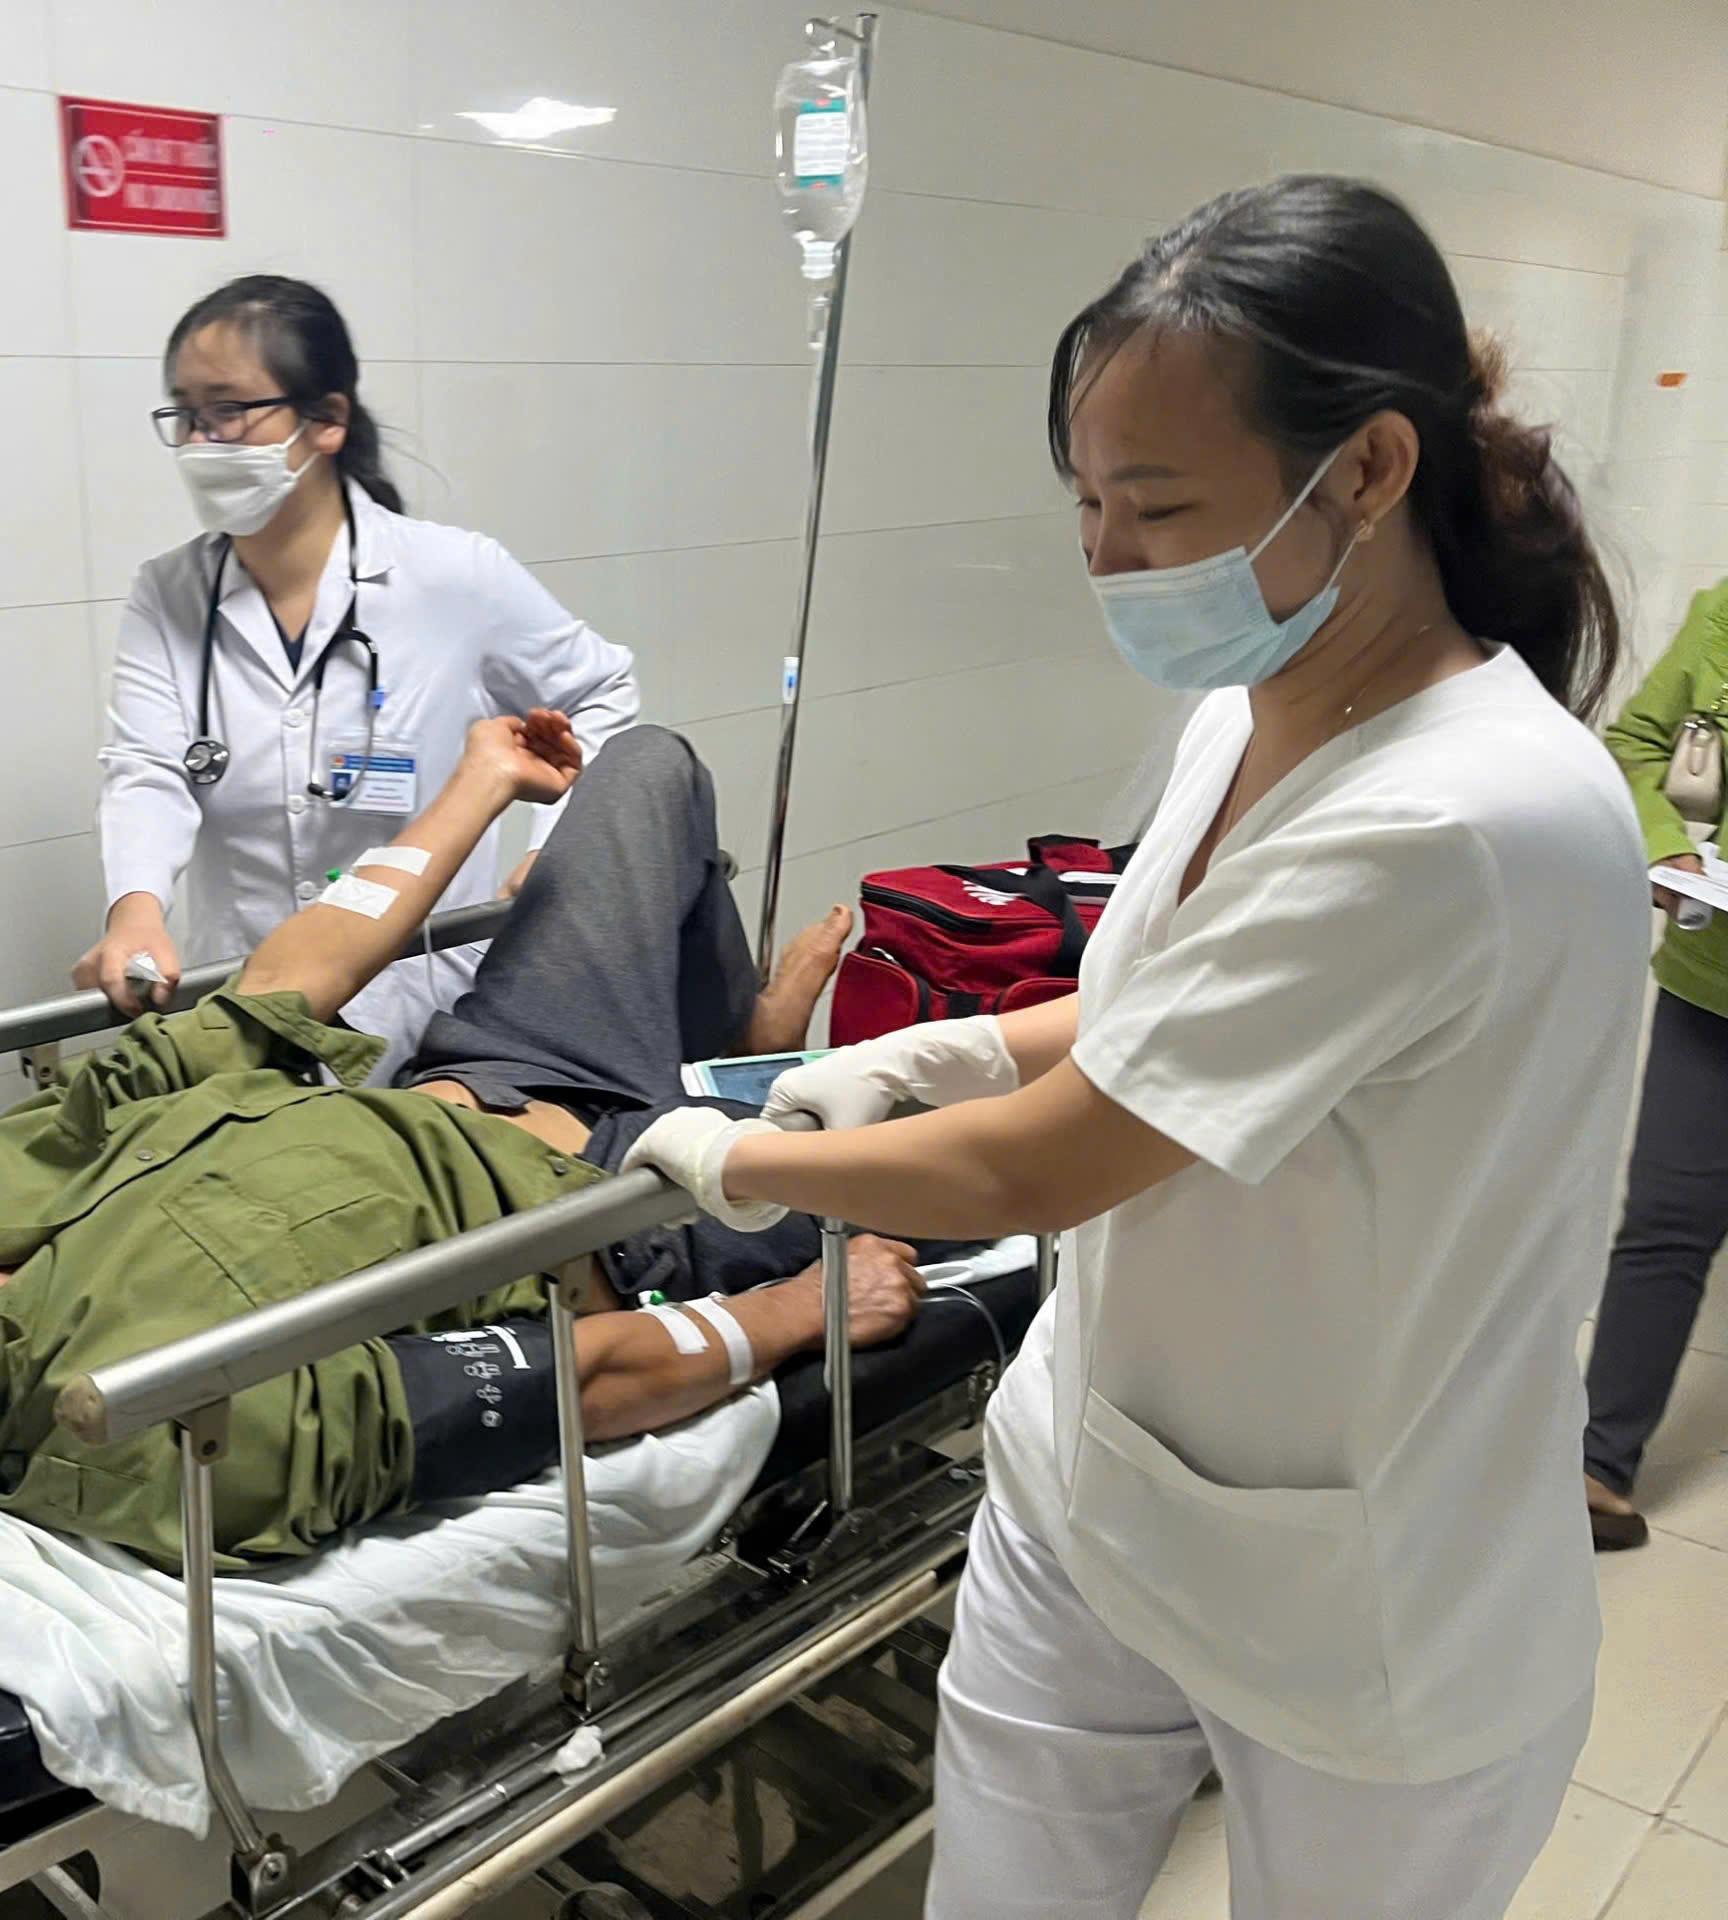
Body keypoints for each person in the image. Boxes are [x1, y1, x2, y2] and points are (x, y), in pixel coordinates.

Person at [625, 177, 1643, 1918]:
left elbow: (1053, 1164)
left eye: (1156, 506)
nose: (1102, 557)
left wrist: (745, 1161)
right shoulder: (1249, 713)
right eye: (1086, 500)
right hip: (1096, 1484)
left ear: (1370, 470)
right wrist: (948, 1053)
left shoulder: (1462, 814)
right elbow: (1174, 998)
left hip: (1366, 1601)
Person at [0, 713, 888, 1635]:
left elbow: (271, 994)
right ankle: (728, 1089)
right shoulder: (165, 1437)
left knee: (650, 766)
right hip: (640, 1208)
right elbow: (562, 1382)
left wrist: (479, 784)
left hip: (492, 1064)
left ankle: (729, 1049)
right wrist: (786, 1316)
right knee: (940, 1120)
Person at [79, 275, 641, 1081]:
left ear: (327, 420)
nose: (202, 441)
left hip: (426, 1004)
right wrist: (135, 910)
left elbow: (601, 690)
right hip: (248, 999)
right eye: (186, 414)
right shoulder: (169, 593)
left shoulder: (452, 576)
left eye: (229, 410)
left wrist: (555, 852)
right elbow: (147, 769)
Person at [1582, 579, 1728, 1550]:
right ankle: (1597, 1465)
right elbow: (1635, 744)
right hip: (1714, 986)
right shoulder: (1724, 616)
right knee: (1667, 1219)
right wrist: (1667, 848)